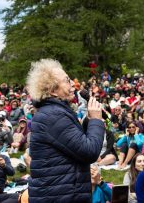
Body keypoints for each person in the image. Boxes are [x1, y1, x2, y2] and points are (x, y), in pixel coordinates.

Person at [26, 59, 105, 202]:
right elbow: (89, 151)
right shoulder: (53, 116)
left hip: (61, 193)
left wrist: (88, 120)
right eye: (67, 80)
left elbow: (75, 145)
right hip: (60, 195)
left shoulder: (53, 112)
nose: (73, 84)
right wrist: (96, 121)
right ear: (52, 90)